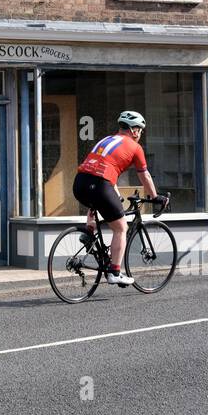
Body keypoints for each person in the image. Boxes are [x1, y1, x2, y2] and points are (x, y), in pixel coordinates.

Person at [73, 111, 160, 285]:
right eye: (140, 131)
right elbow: (145, 176)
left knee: (96, 202)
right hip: (99, 185)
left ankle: (89, 232)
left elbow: (103, 169)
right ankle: (114, 272)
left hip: (80, 183)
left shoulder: (105, 140)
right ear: (134, 130)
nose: (140, 135)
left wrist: (117, 196)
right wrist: (155, 197)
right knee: (121, 228)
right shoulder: (135, 148)